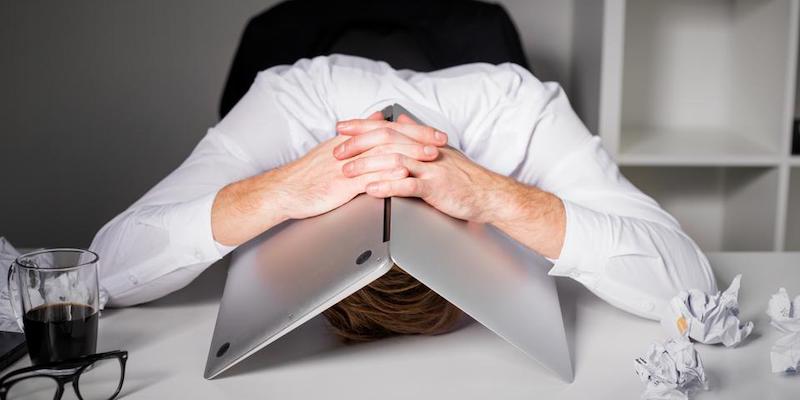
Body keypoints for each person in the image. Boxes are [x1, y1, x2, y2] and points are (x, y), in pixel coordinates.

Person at [90, 55, 717, 341]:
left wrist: (494, 196)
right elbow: (103, 274)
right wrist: (281, 191)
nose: (395, 182)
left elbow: (692, 289)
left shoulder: (523, 113)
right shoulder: (285, 104)